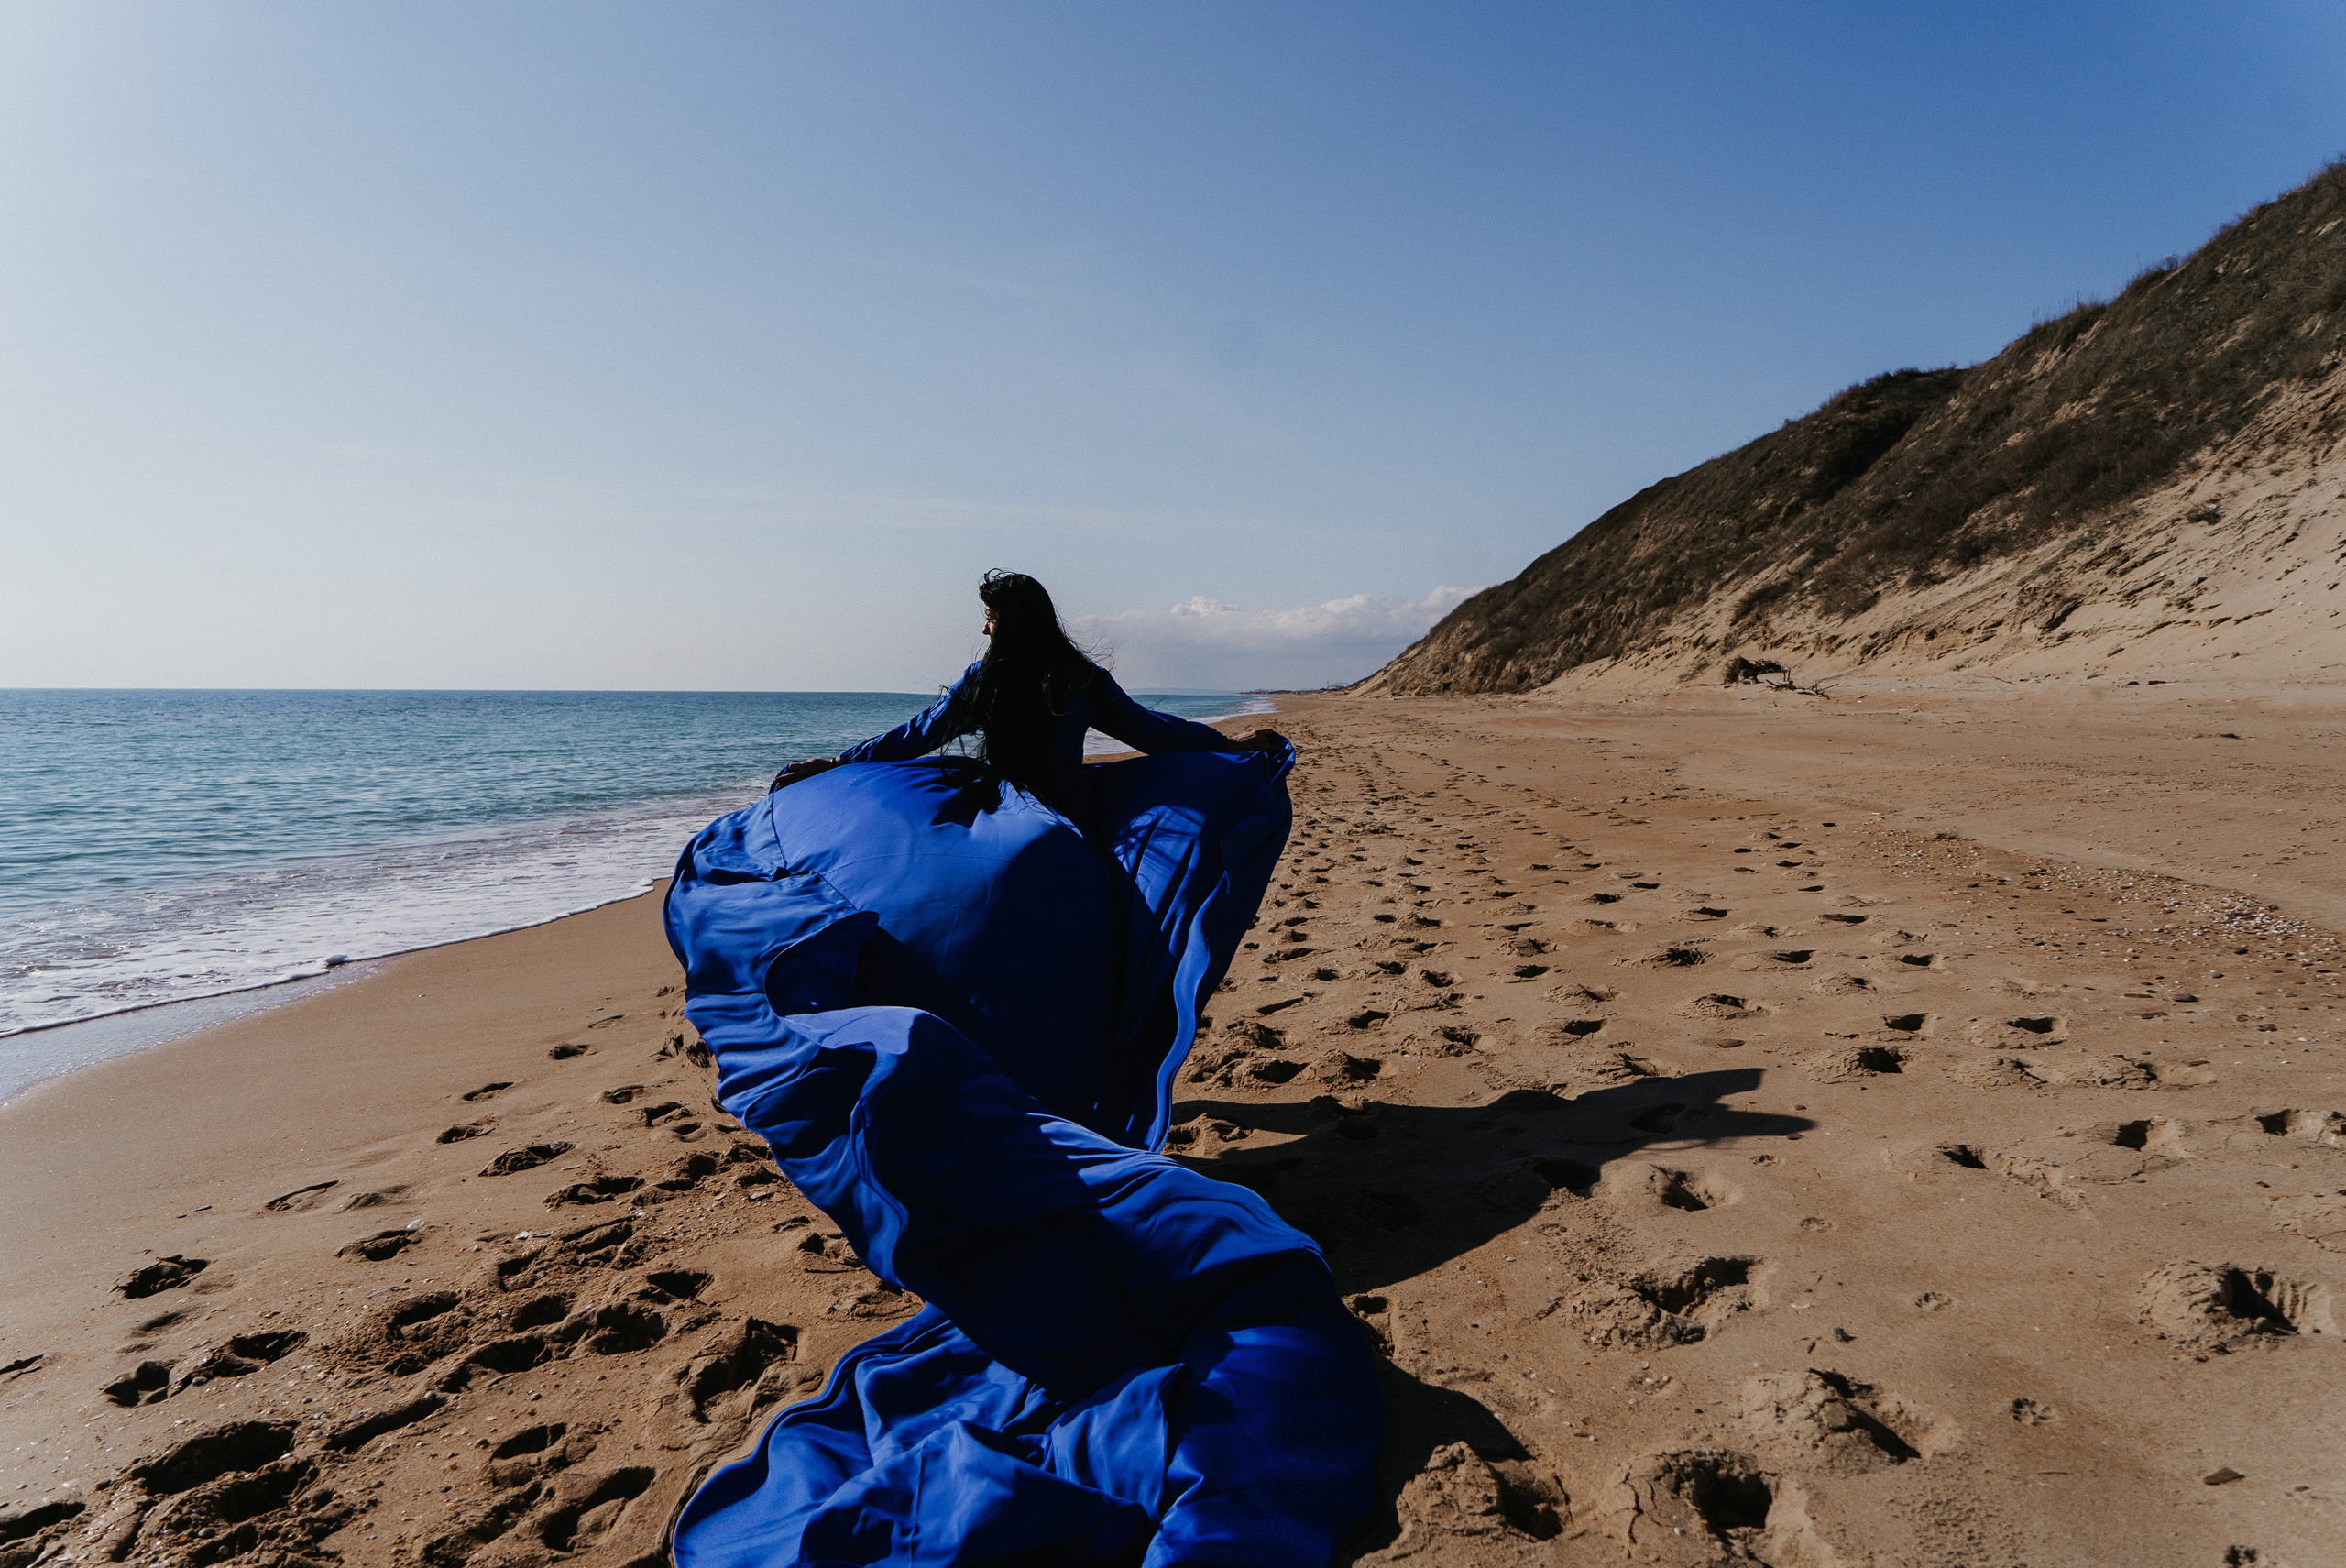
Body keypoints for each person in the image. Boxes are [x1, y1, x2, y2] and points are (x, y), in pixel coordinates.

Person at [772, 570, 1284, 804]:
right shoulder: (1082, 678)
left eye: (989, 617)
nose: (984, 629)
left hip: (1004, 804)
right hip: (1071, 804)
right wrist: (1227, 745)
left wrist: (840, 764)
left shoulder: (986, 679)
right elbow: (1152, 733)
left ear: (1010, 623)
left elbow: (919, 734)